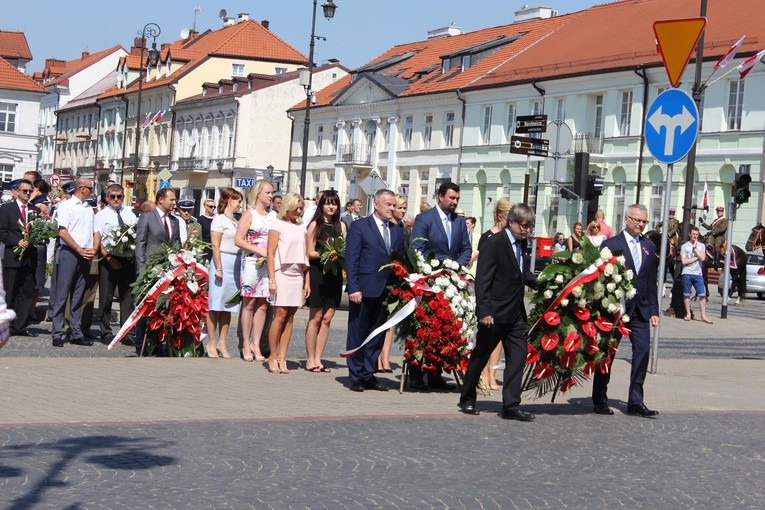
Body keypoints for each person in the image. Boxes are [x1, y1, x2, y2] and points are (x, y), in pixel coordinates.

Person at [458, 203, 537, 421]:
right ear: (511, 222)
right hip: (494, 313)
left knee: (518, 357)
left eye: (530, 226)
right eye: (524, 226)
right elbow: (483, 279)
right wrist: (484, 311)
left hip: (516, 314)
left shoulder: (522, 245)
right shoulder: (494, 243)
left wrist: (546, 283)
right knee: (481, 355)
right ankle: (467, 397)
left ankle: (511, 405)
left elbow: (522, 274)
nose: (527, 230)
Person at [593, 203, 660, 418]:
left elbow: (650, 281)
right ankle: (600, 399)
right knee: (607, 355)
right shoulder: (612, 244)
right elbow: (600, 278)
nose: (641, 224)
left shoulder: (649, 247)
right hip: (616, 310)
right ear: (627, 219)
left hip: (640, 311)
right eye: (637, 220)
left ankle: (635, 402)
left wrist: (654, 310)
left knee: (642, 352)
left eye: (644, 221)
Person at [409, 181, 472, 391]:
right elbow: (417, 248)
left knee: (444, 328)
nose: (455, 202)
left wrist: (456, 268)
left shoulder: (459, 222)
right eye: (452, 198)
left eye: (457, 199)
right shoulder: (425, 219)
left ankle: (436, 373)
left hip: (451, 282)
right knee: (424, 329)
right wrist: (432, 271)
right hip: (429, 282)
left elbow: (466, 249)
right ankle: (416, 374)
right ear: (440, 197)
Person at [345, 189, 404, 392]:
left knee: (376, 333)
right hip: (363, 289)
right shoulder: (360, 227)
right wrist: (353, 287)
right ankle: (355, 375)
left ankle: (368, 373)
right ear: (376, 205)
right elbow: (351, 259)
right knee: (358, 332)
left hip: (386, 291)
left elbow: (400, 262)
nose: (392, 208)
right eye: (388, 204)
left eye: (393, 205)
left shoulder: (396, 231)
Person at [134, 188, 183, 355]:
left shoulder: (174, 221)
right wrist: (141, 269)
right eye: (172, 199)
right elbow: (140, 244)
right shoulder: (147, 217)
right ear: (161, 200)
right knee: (146, 307)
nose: (174, 203)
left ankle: (160, 343)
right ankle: (142, 343)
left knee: (165, 307)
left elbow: (177, 245)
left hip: (168, 272)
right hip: (150, 270)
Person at [50, 178, 97, 348]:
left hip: (84, 253)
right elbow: (62, 231)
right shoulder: (67, 206)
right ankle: (57, 332)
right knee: (62, 294)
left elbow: (92, 232)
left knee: (78, 295)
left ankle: (76, 332)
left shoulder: (88, 208)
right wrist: (78, 248)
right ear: (82, 189)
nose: (92, 191)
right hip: (70, 252)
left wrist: (92, 249)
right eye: (91, 188)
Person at [266, 193, 310, 374]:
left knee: (291, 317)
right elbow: (270, 253)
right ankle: (272, 356)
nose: (298, 212)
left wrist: (307, 282)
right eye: (296, 208)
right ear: (288, 207)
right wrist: (272, 279)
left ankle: (283, 356)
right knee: (280, 314)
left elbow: (306, 256)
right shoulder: (277, 225)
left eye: (301, 208)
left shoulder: (302, 228)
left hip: (297, 273)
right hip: (281, 272)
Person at [305, 190, 346, 373]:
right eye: (328, 203)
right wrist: (327, 254)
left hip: (334, 274)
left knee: (327, 318)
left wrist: (340, 256)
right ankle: (310, 358)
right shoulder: (315, 225)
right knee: (315, 317)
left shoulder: (341, 226)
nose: (331, 206)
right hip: (318, 272)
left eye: (334, 203)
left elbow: (344, 247)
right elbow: (309, 252)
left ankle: (319, 358)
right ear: (321, 205)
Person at [234, 180, 275, 362]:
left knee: (263, 305)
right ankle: (245, 342)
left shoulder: (274, 216)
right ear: (258, 193)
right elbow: (239, 240)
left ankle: (257, 343)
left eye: (272, 193)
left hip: (268, 265)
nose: (270, 196)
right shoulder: (249, 214)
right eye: (267, 192)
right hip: (252, 262)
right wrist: (260, 251)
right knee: (249, 303)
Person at [474, 198, 512, 391]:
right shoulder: (488, 237)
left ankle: (492, 374)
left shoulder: (510, 238)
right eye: (509, 217)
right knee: (487, 339)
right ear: (500, 216)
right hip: (491, 296)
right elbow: (484, 271)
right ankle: (482, 374)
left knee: (498, 341)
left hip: (505, 298)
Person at [93, 184, 137, 344]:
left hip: (127, 259)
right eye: (113, 197)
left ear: (123, 197)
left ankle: (127, 332)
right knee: (106, 296)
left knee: (128, 297)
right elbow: (98, 238)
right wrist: (108, 258)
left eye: (119, 196)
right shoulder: (101, 215)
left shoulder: (130, 215)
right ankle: (105, 331)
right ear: (107, 198)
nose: (116, 199)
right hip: (109, 259)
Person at [206, 188, 243, 359]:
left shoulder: (236, 221)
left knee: (228, 305)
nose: (240, 205)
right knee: (215, 304)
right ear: (229, 200)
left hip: (235, 263)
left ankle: (222, 342)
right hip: (222, 261)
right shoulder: (219, 220)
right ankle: (211, 342)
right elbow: (215, 245)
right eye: (238, 201)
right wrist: (219, 267)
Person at [0, 179, 40, 336]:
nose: (28, 194)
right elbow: (2, 232)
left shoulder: (35, 210)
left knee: (26, 291)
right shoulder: (6, 209)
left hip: (30, 257)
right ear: (16, 191)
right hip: (13, 256)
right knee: (10, 292)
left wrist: (37, 238)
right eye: (25, 191)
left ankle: (20, 325)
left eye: (30, 191)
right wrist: (16, 241)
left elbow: (40, 230)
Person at [377, 194, 407, 373]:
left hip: (396, 279)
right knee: (381, 321)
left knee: (391, 321)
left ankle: (385, 357)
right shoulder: (387, 227)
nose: (402, 211)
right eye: (399, 207)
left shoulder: (402, 228)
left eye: (404, 208)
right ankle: (378, 357)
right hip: (382, 278)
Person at [680, 226, 712, 324]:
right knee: (687, 294)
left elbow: (702, 258)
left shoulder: (702, 246)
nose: (695, 236)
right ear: (690, 234)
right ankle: (688, 313)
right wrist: (695, 258)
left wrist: (695, 249)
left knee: (702, 294)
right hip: (687, 272)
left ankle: (703, 315)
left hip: (698, 273)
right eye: (693, 234)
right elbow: (683, 261)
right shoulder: (684, 246)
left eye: (696, 234)